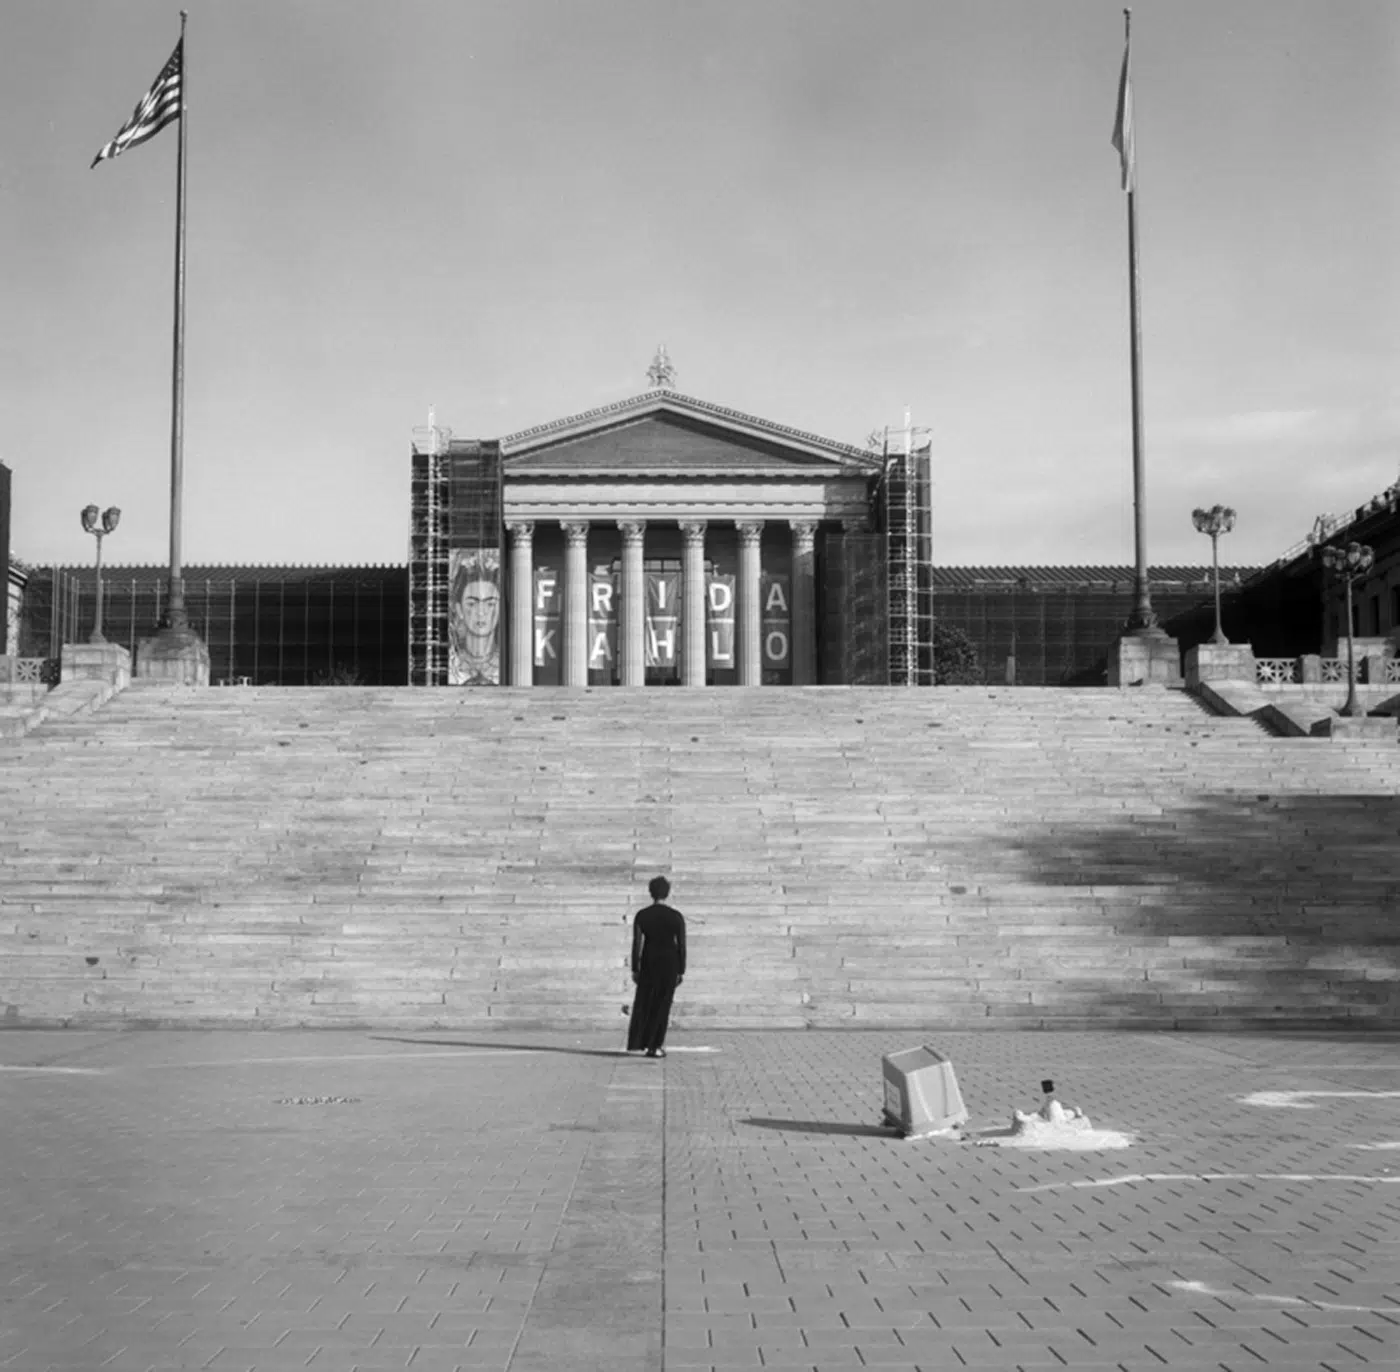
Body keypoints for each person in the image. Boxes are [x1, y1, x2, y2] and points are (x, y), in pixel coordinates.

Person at [627, 875, 686, 1058]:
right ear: (667, 894)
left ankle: (641, 1041)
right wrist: (681, 970)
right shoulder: (676, 916)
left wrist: (635, 968)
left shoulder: (642, 915)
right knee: (663, 1004)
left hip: (649, 961)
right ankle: (656, 1045)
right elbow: (682, 945)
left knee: (646, 1003)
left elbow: (637, 943)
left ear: (650, 893)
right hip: (669, 963)